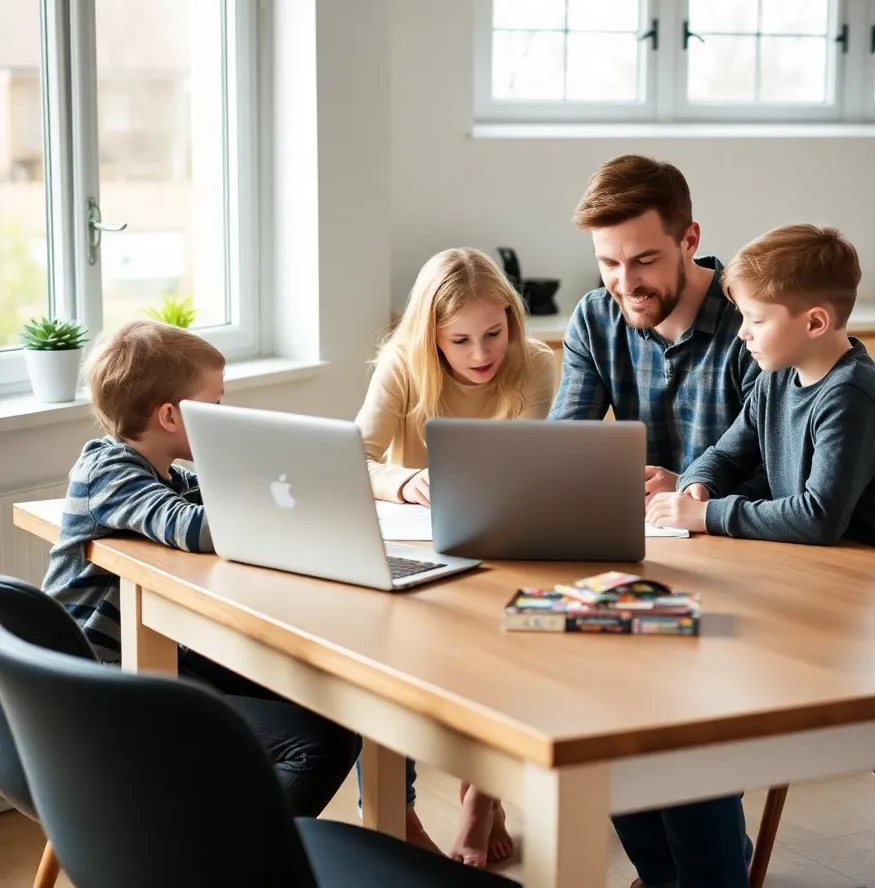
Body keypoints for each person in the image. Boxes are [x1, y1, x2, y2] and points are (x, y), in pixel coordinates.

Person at [42, 320, 359, 818]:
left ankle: (226, 833)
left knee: (327, 707)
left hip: (147, 652)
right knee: (319, 745)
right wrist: (276, 505)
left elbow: (215, 499)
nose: (221, 414)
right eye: (213, 407)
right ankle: (237, 861)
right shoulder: (106, 470)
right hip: (98, 681)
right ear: (169, 415)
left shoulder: (161, 471)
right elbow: (192, 528)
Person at [549, 154, 759, 888]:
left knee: (666, 706)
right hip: (646, 568)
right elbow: (563, 449)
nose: (625, 283)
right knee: (586, 698)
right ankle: (672, 872)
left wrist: (691, 489)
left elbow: (782, 471)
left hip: (747, 568)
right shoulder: (596, 314)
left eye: (643, 260)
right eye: (608, 262)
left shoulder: (754, 322)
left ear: (689, 238)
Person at [355, 246, 556, 865]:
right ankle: (398, 815)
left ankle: (482, 798)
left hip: (504, 545)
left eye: (494, 333)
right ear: (430, 335)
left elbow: (519, 472)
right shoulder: (401, 362)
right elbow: (353, 457)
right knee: (377, 662)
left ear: (510, 320)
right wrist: (406, 481)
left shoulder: (538, 365)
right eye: (459, 340)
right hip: (417, 546)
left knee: (503, 643)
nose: (480, 355)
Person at [647, 224, 875, 562]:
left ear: (815, 323)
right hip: (827, 564)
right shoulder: (776, 379)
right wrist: (701, 483)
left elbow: (818, 517)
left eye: (756, 320)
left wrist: (707, 515)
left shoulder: (850, 395)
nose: (742, 333)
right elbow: (726, 456)